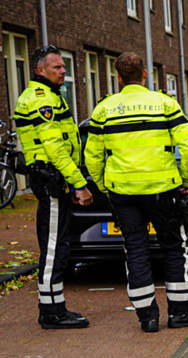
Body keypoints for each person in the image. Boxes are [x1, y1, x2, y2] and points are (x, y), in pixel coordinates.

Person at [84, 52, 188, 333]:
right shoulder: (164, 104)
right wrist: (187, 179)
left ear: (118, 77)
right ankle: (179, 313)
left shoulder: (103, 110)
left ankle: (147, 318)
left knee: (135, 250)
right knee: (174, 247)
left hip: (123, 193)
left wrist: (105, 185)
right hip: (163, 191)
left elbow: (92, 155)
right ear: (145, 75)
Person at [14, 46, 93, 329]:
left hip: (53, 178)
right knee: (53, 248)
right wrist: (79, 183)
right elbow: (55, 148)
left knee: (58, 245)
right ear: (40, 70)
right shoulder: (41, 99)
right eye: (57, 67)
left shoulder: (50, 96)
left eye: (63, 67)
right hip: (51, 180)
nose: (63, 71)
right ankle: (51, 313)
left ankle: (55, 307)